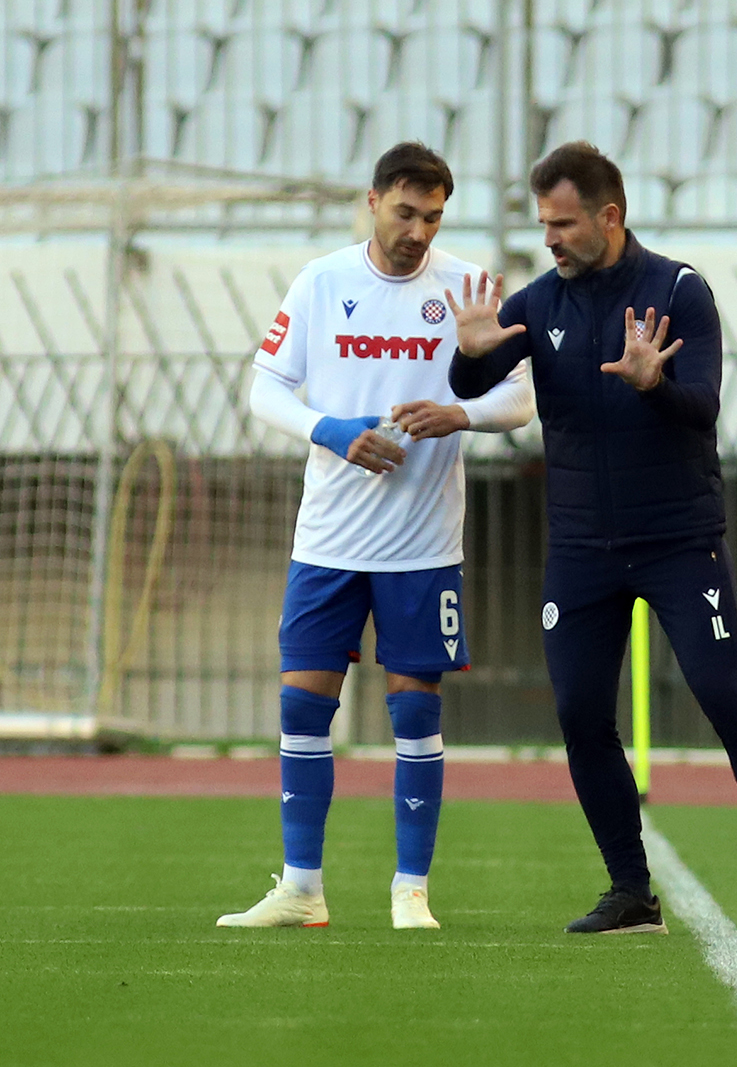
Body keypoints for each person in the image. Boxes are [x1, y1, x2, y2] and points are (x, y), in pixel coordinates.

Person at [446, 141, 737, 935]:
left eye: (562, 223)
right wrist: (468, 352)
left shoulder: (679, 291)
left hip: (679, 539)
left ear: (609, 216)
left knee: (726, 697)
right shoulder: (541, 301)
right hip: (582, 550)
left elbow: (704, 406)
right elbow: (472, 382)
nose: (548, 238)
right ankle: (630, 891)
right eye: (542, 223)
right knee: (581, 712)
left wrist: (655, 384)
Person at [217, 142, 535, 931]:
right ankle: (301, 887)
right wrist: (331, 431)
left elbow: (521, 398)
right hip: (326, 540)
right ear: (372, 201)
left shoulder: (466, 287)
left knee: (416, 712)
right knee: (301, 707)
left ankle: (410, 891)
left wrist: (460, 411)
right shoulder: (324, 283)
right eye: (406, 212)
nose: (419, 230)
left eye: (432, 216)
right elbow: (263, 387)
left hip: (422, 546)